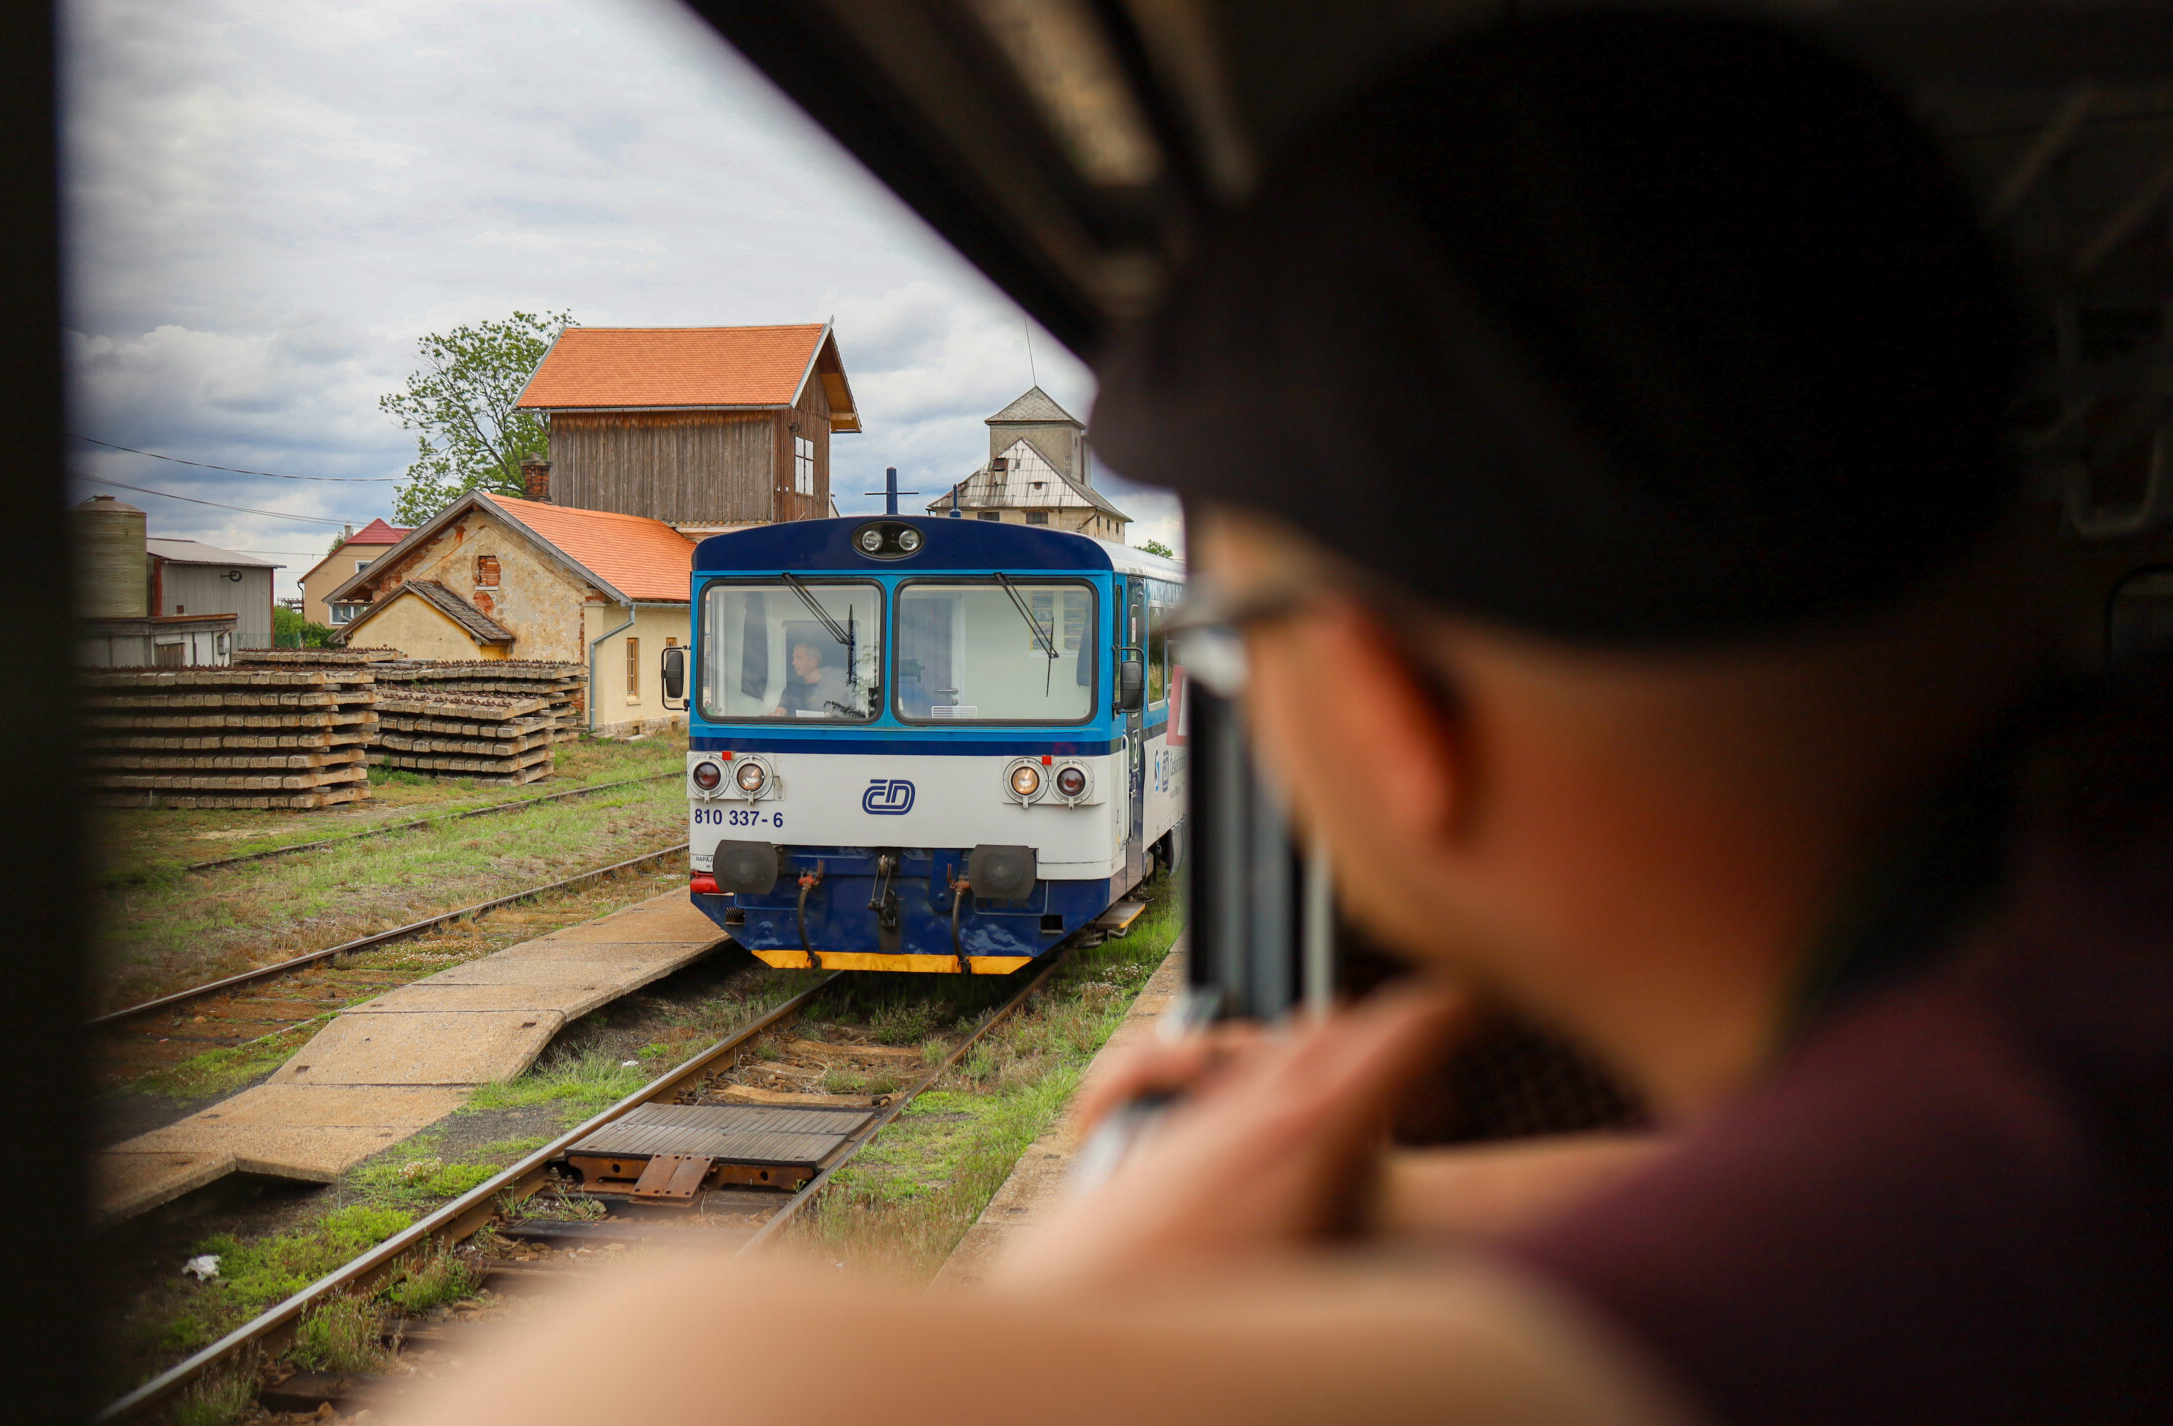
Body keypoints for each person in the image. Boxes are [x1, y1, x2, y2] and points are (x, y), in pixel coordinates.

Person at [398, 11, 2171, 1425]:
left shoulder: (1977, 1219)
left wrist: (1081, 1296)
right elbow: (1805, 1192)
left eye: (1229, 628)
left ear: (1391, 714)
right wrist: (1397, 1217)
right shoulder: (2078, 984)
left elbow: (657, 1375)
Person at [771, 638, 826, 717]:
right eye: (794, 658)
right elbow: (779, 712)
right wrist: (774, 715)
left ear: (813, 662)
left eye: (798, 658)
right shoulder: (791, 689)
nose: (793, 663)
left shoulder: (830, 688)